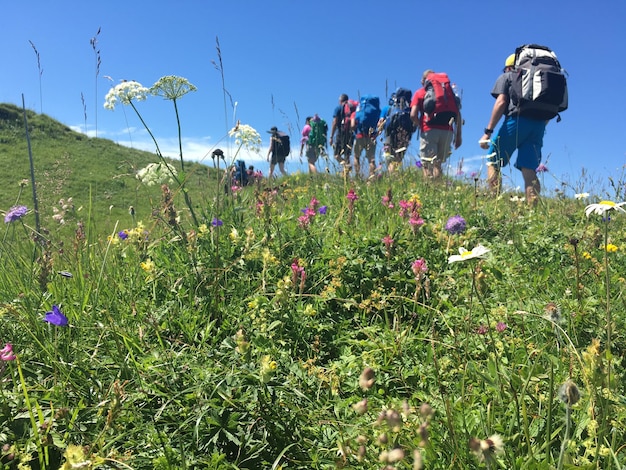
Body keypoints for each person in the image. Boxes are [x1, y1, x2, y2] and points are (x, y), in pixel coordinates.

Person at [479, 53, 545, 205]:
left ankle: (493, 203)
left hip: (516, 120)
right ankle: (533, 213)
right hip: (539, 125)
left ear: (509, 67)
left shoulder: (509, 76)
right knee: (529, 169)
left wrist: (488, 132)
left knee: (493, 161)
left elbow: (501, 102)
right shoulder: (539, 79)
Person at [411, 70, 462, 180]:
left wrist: (419, 125)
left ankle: (428, 190)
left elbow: (413, 114)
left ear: (424, 80)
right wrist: (458, 136)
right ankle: (438, 188)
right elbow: (458, 114)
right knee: (438, 164)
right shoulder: (448, 94)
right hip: (448, 131)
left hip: (429, 129)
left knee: (427, 164)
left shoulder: (420, 93)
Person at [329, 94, 355, 166]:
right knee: (347, 155)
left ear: (340, 101)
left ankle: (347, 166)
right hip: (350, 133)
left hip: (341, 132)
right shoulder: (352, 108)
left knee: (336, 155)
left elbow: (334, 122)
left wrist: (331, 136)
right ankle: (346, 172)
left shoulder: (338, 108)